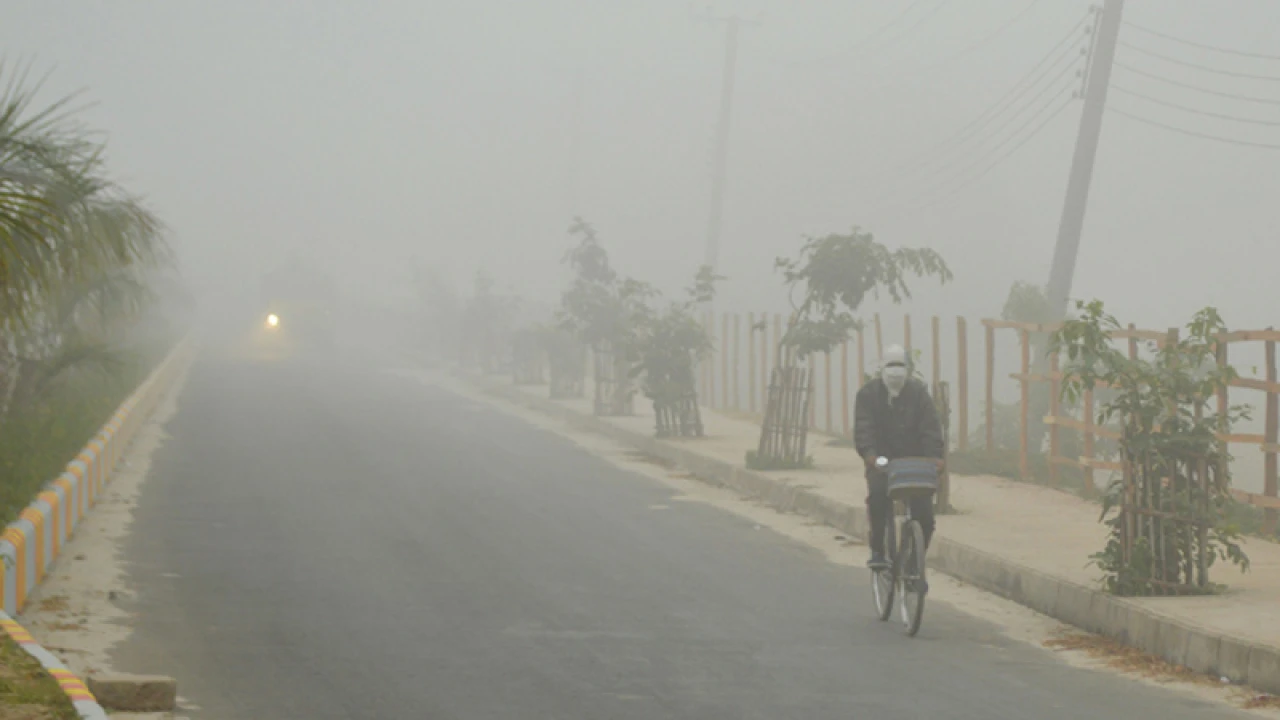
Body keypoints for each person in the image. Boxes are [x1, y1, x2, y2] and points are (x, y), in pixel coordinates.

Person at [853, 345, 944, 569]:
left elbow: (930, 428)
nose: (895, 372)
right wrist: (871, 455)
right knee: (877, 497)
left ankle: (914, 563)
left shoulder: (919, 394)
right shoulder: (868, 395)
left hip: (915, 463)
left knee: (925, 517)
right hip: (882, 463)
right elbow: (864, 428)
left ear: (908, 369)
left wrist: (935, 457)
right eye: (890, 366)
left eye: (900, 366)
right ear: (881, 368)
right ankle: (877, 549)